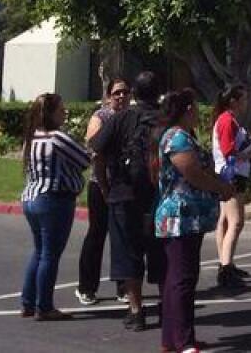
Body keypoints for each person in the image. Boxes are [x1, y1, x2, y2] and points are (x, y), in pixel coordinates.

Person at [154, 88, 235, 353]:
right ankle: (182, 340)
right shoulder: (176, 138)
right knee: (181, 279)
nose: (199, 113)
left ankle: (173, 338)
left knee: (180, 278)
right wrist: (219, 187)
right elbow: (192, 173)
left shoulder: (184, 136)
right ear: (187, 109)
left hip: (191, 218)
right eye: (196, 108)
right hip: (180, 216)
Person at [89, 70, 166, 332]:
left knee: (127, 253)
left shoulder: (121, 118)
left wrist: (105, 186)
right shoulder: (166, 120)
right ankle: (168, 306)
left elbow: (96, 151)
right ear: (158, 93)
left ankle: (136, 311)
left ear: (134, 93)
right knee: (163, 252)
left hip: (124, 193)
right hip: (160, 196)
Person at [20, 92, 89, 321]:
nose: (65, 112)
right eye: (61, 109)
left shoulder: (32, 139)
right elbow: (84, 159)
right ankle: (44, 306)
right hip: (54, 199)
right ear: (50, 113)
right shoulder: (57, 138)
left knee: (39, 251)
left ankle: (28, 302)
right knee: (50, 254)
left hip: (31, 197)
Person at [75, 78, 130, 306]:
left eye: (125, 92)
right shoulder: (101, 117)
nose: (121, 96)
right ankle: (86, 288)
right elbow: (92, 146)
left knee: (124, 237)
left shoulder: (132, 117)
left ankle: (124, 288)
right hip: (100, 184)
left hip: (123, 184)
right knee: (97, 234)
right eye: (117, 93)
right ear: (108, 96)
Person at [212, 84, 251, 288]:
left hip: (230, 173)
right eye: (243, 99)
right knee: (236, 222)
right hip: (231, 174)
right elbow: (229, 150)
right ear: (233, 101)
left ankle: (226, 262)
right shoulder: (227, 121)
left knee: (226, 221)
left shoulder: (229, 120)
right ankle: (225, 268)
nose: (246, 103)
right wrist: (247, 152)